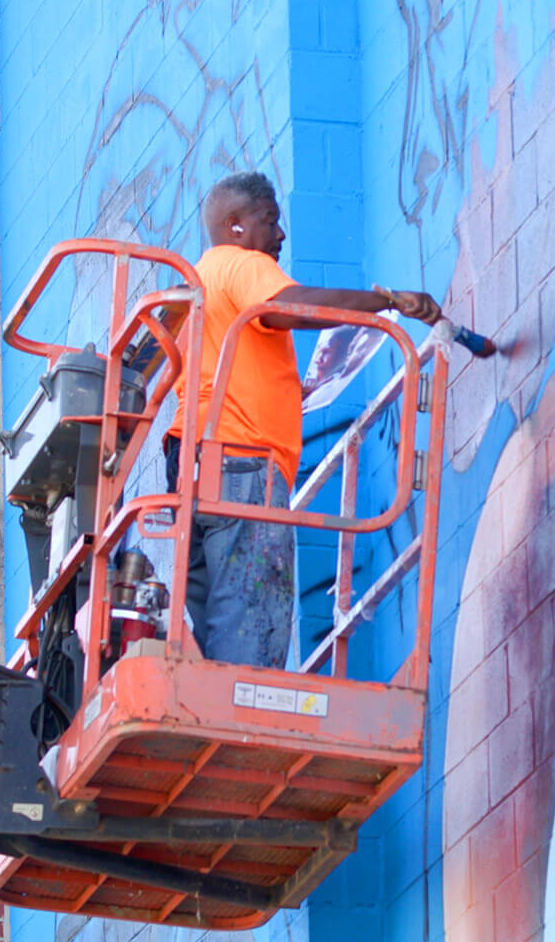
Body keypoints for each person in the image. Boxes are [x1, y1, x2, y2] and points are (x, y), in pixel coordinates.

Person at [162, 171, 442, 667]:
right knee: (252, 606)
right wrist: (387, 302)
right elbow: (289, 307)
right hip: (240, 459)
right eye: (270, 221)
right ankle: (243, 710)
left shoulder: (195, 288)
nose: (281, 236)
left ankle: (215, 703)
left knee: (213, 614)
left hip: (191, 464)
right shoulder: (240, 263)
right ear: (236, 226)